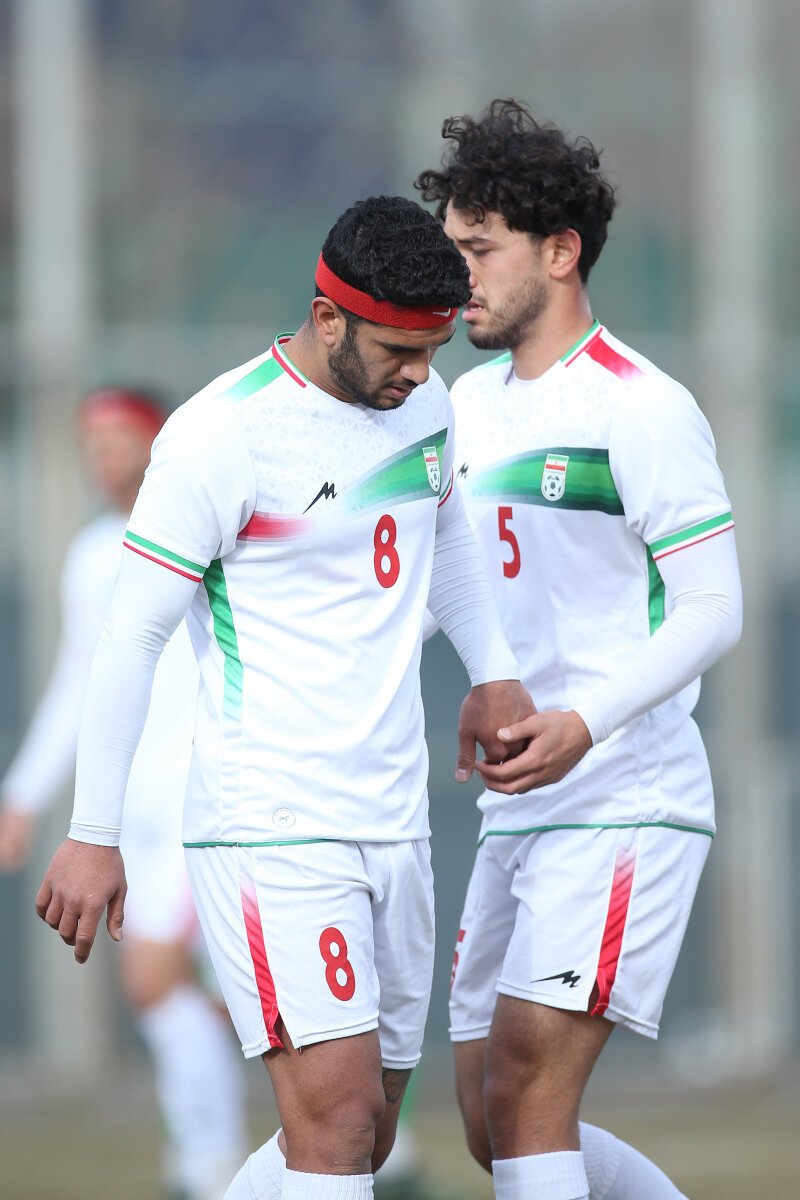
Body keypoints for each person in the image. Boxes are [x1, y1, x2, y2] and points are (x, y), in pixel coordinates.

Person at [34, 195, 534, 1200]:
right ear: (328, 318)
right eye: (398, 350)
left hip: (392, 819)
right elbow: (129, 639)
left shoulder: (424, 404)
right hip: (270, 820)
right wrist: (93, 831)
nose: (418, 373)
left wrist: (493, 671)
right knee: (337, 1123)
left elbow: (446, 537)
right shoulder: (220, 435)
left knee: (366, 1133)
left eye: (433, 350)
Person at [415, 100, 742, 1200]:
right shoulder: (461, 404)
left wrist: (584, 723)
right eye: (451, 248)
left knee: (526, 1098)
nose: (457, 274)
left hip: (622, 794)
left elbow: (714, 608)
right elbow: (449, 588)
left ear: (560, 252)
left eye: (479, 249)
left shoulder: (641, 408)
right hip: (519, 801)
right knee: (485, 1118)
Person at [0, 387, 248, 1200]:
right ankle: (210, 1161)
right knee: (191, 999)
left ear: (157, 441)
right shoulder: (90, 554)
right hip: (129, 811)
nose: (102, 456)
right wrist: (22, 795)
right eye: (91, 442)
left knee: (157, 979)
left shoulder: (207, 524)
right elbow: (79, 684)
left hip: (202, 796)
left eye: (118, 438)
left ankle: (215, 1166)